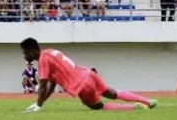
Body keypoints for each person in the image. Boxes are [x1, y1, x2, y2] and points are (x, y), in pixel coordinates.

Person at [20, 38, 157, 113]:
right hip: (88, 74)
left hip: (81, 85)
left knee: (98, 106)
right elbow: (51, 85)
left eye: (25, 53)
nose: (25, 56)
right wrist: (40, 103)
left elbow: (43, 86)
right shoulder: (50, 52)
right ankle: (147, 101)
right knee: (111, 92)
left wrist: (38, 105)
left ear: (32, 51)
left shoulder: (43, 60)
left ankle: (135, 107)